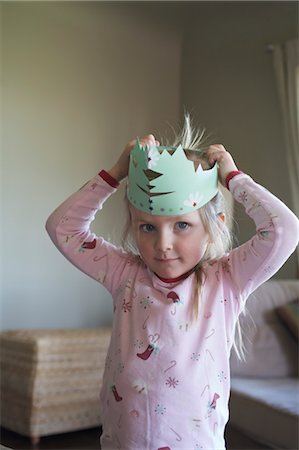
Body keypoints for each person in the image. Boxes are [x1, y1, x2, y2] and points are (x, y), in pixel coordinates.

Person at [46, 116, 298, 450]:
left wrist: (234, 178)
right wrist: (115, 173)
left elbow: (284, 230)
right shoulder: (126, 275)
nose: (163, 244)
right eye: (147, 227)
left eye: (181, 225)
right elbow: (62, 228)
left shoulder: (226, 280)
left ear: (214, 225)